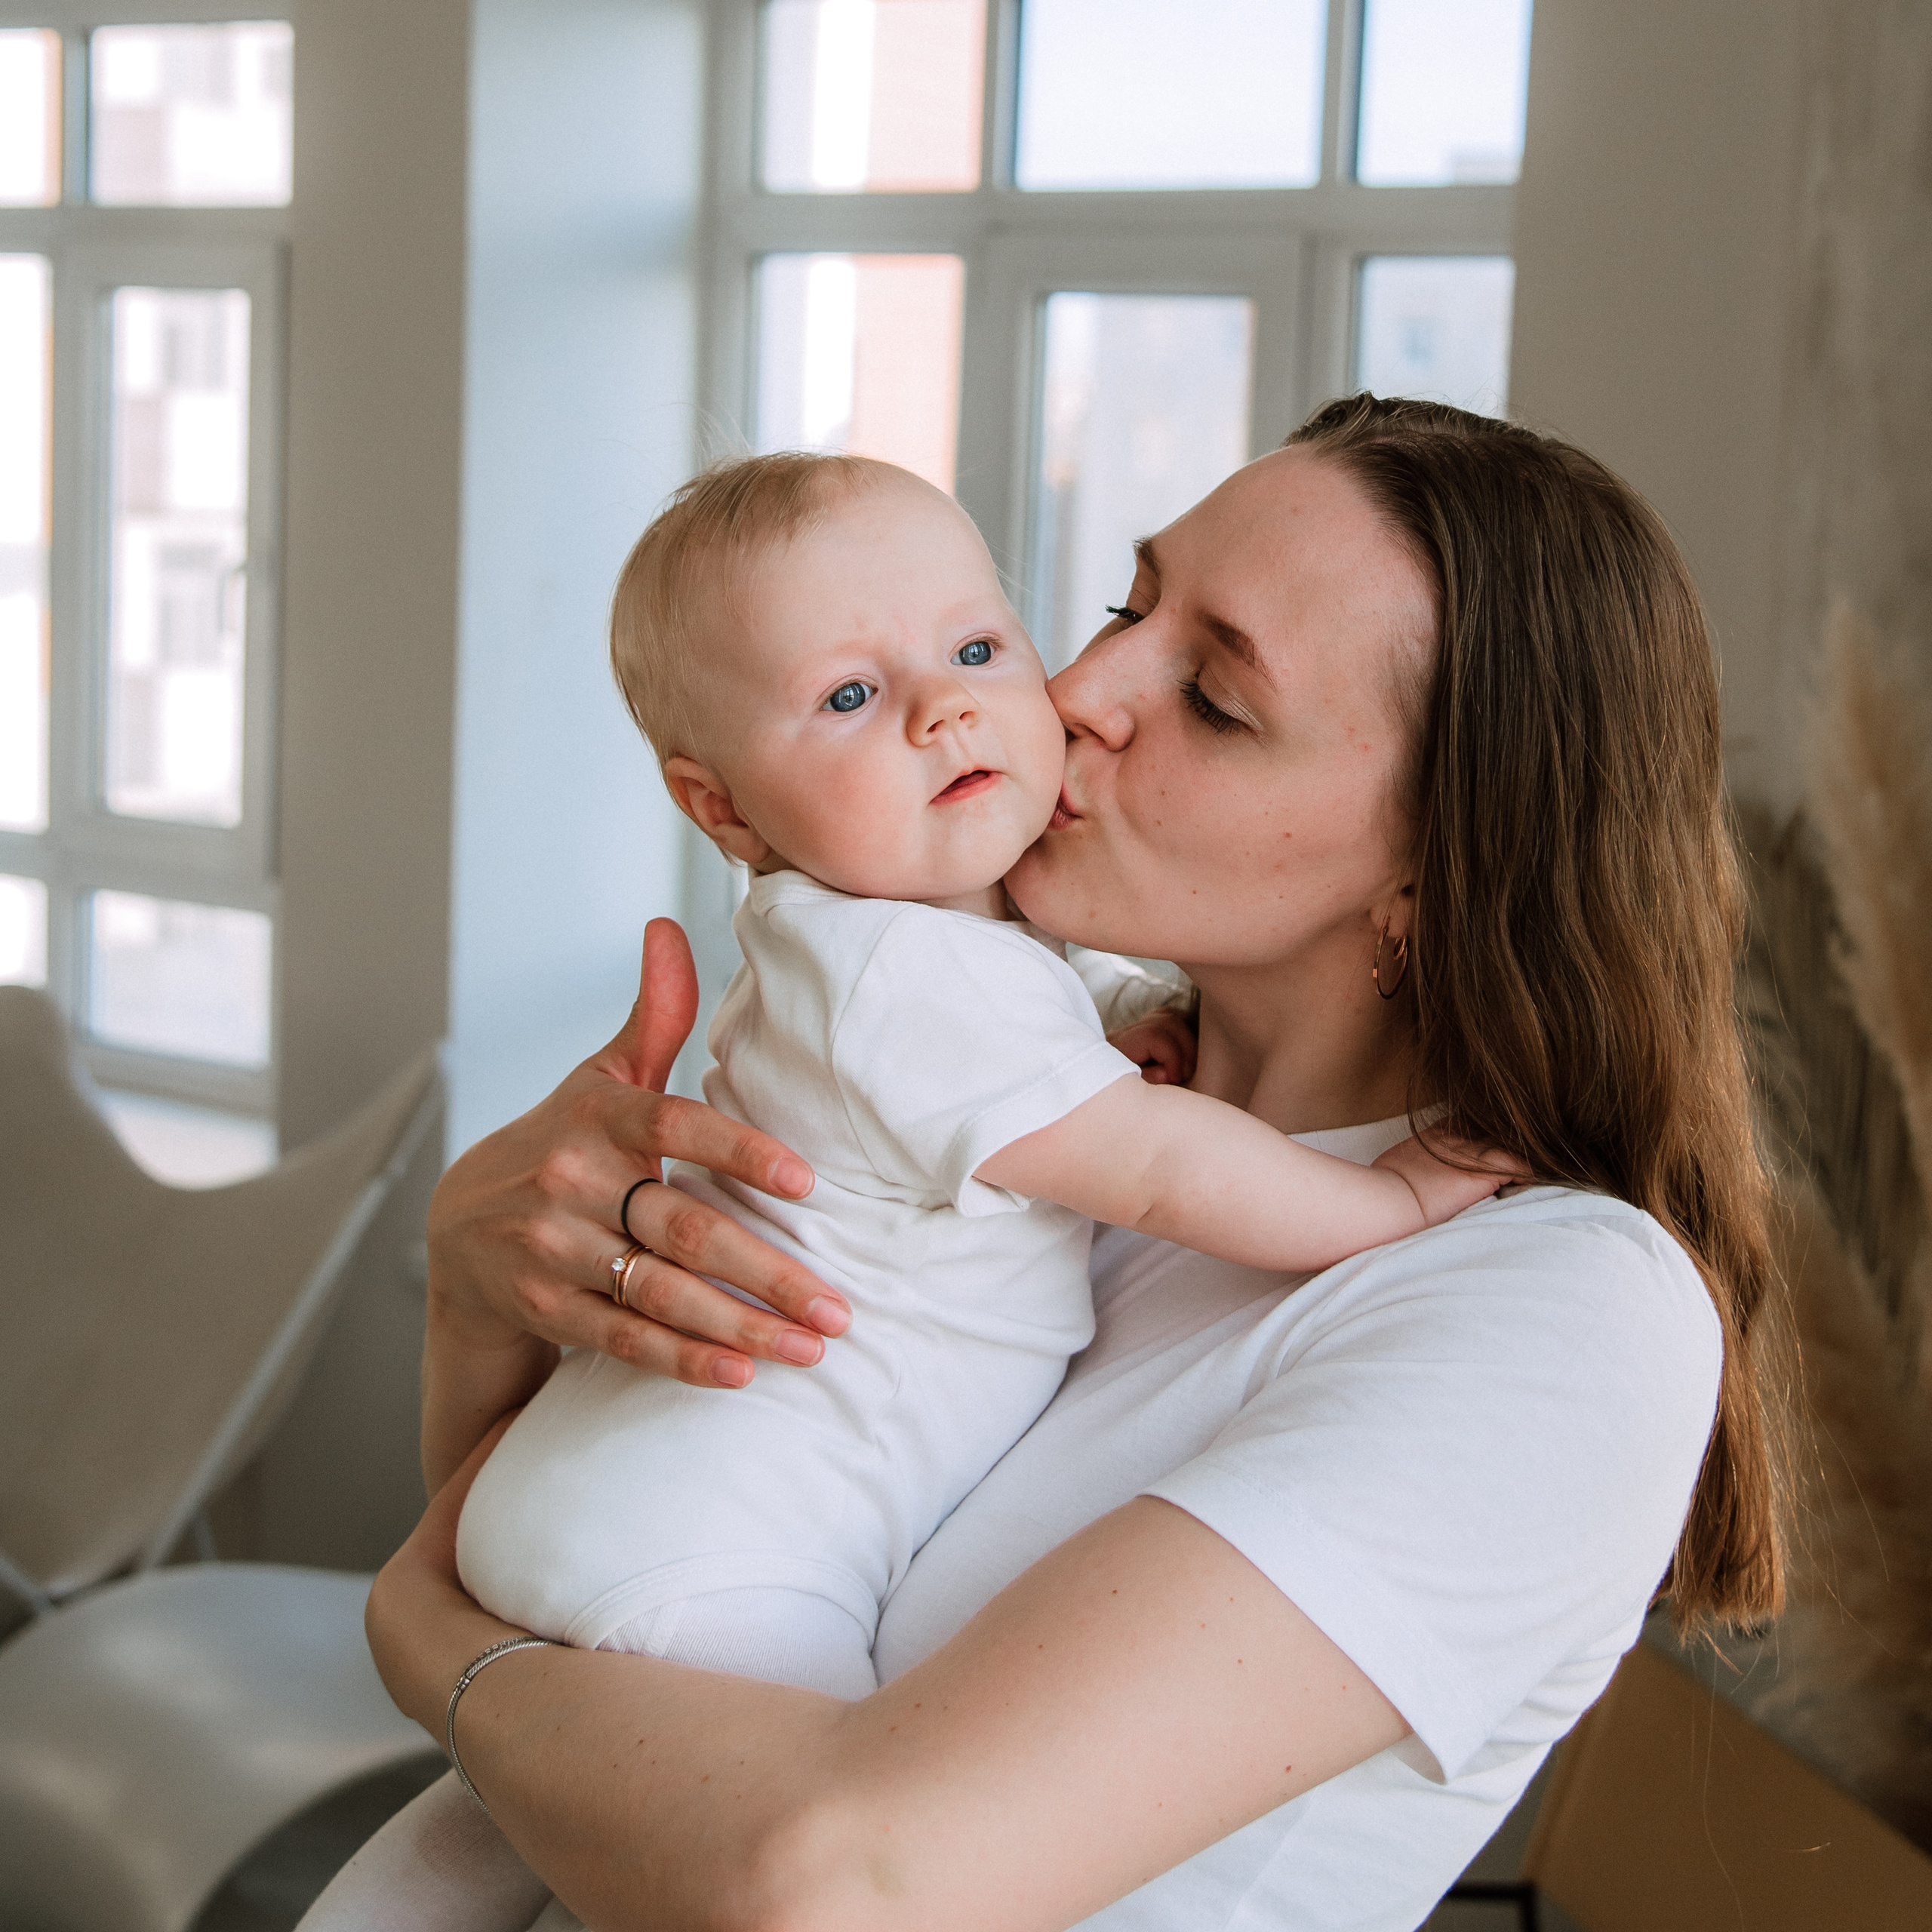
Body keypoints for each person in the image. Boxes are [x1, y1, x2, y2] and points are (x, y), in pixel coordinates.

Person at [360, 396, 1784, 1932]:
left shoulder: (1557, 1311)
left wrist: (436, 1650)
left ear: (1436, 866)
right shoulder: (1054, 1095)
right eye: (1124, 603)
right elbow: (631, 1564)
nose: (1077, 689)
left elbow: (828, 1890)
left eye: (1213, 697)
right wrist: (480, 1293)